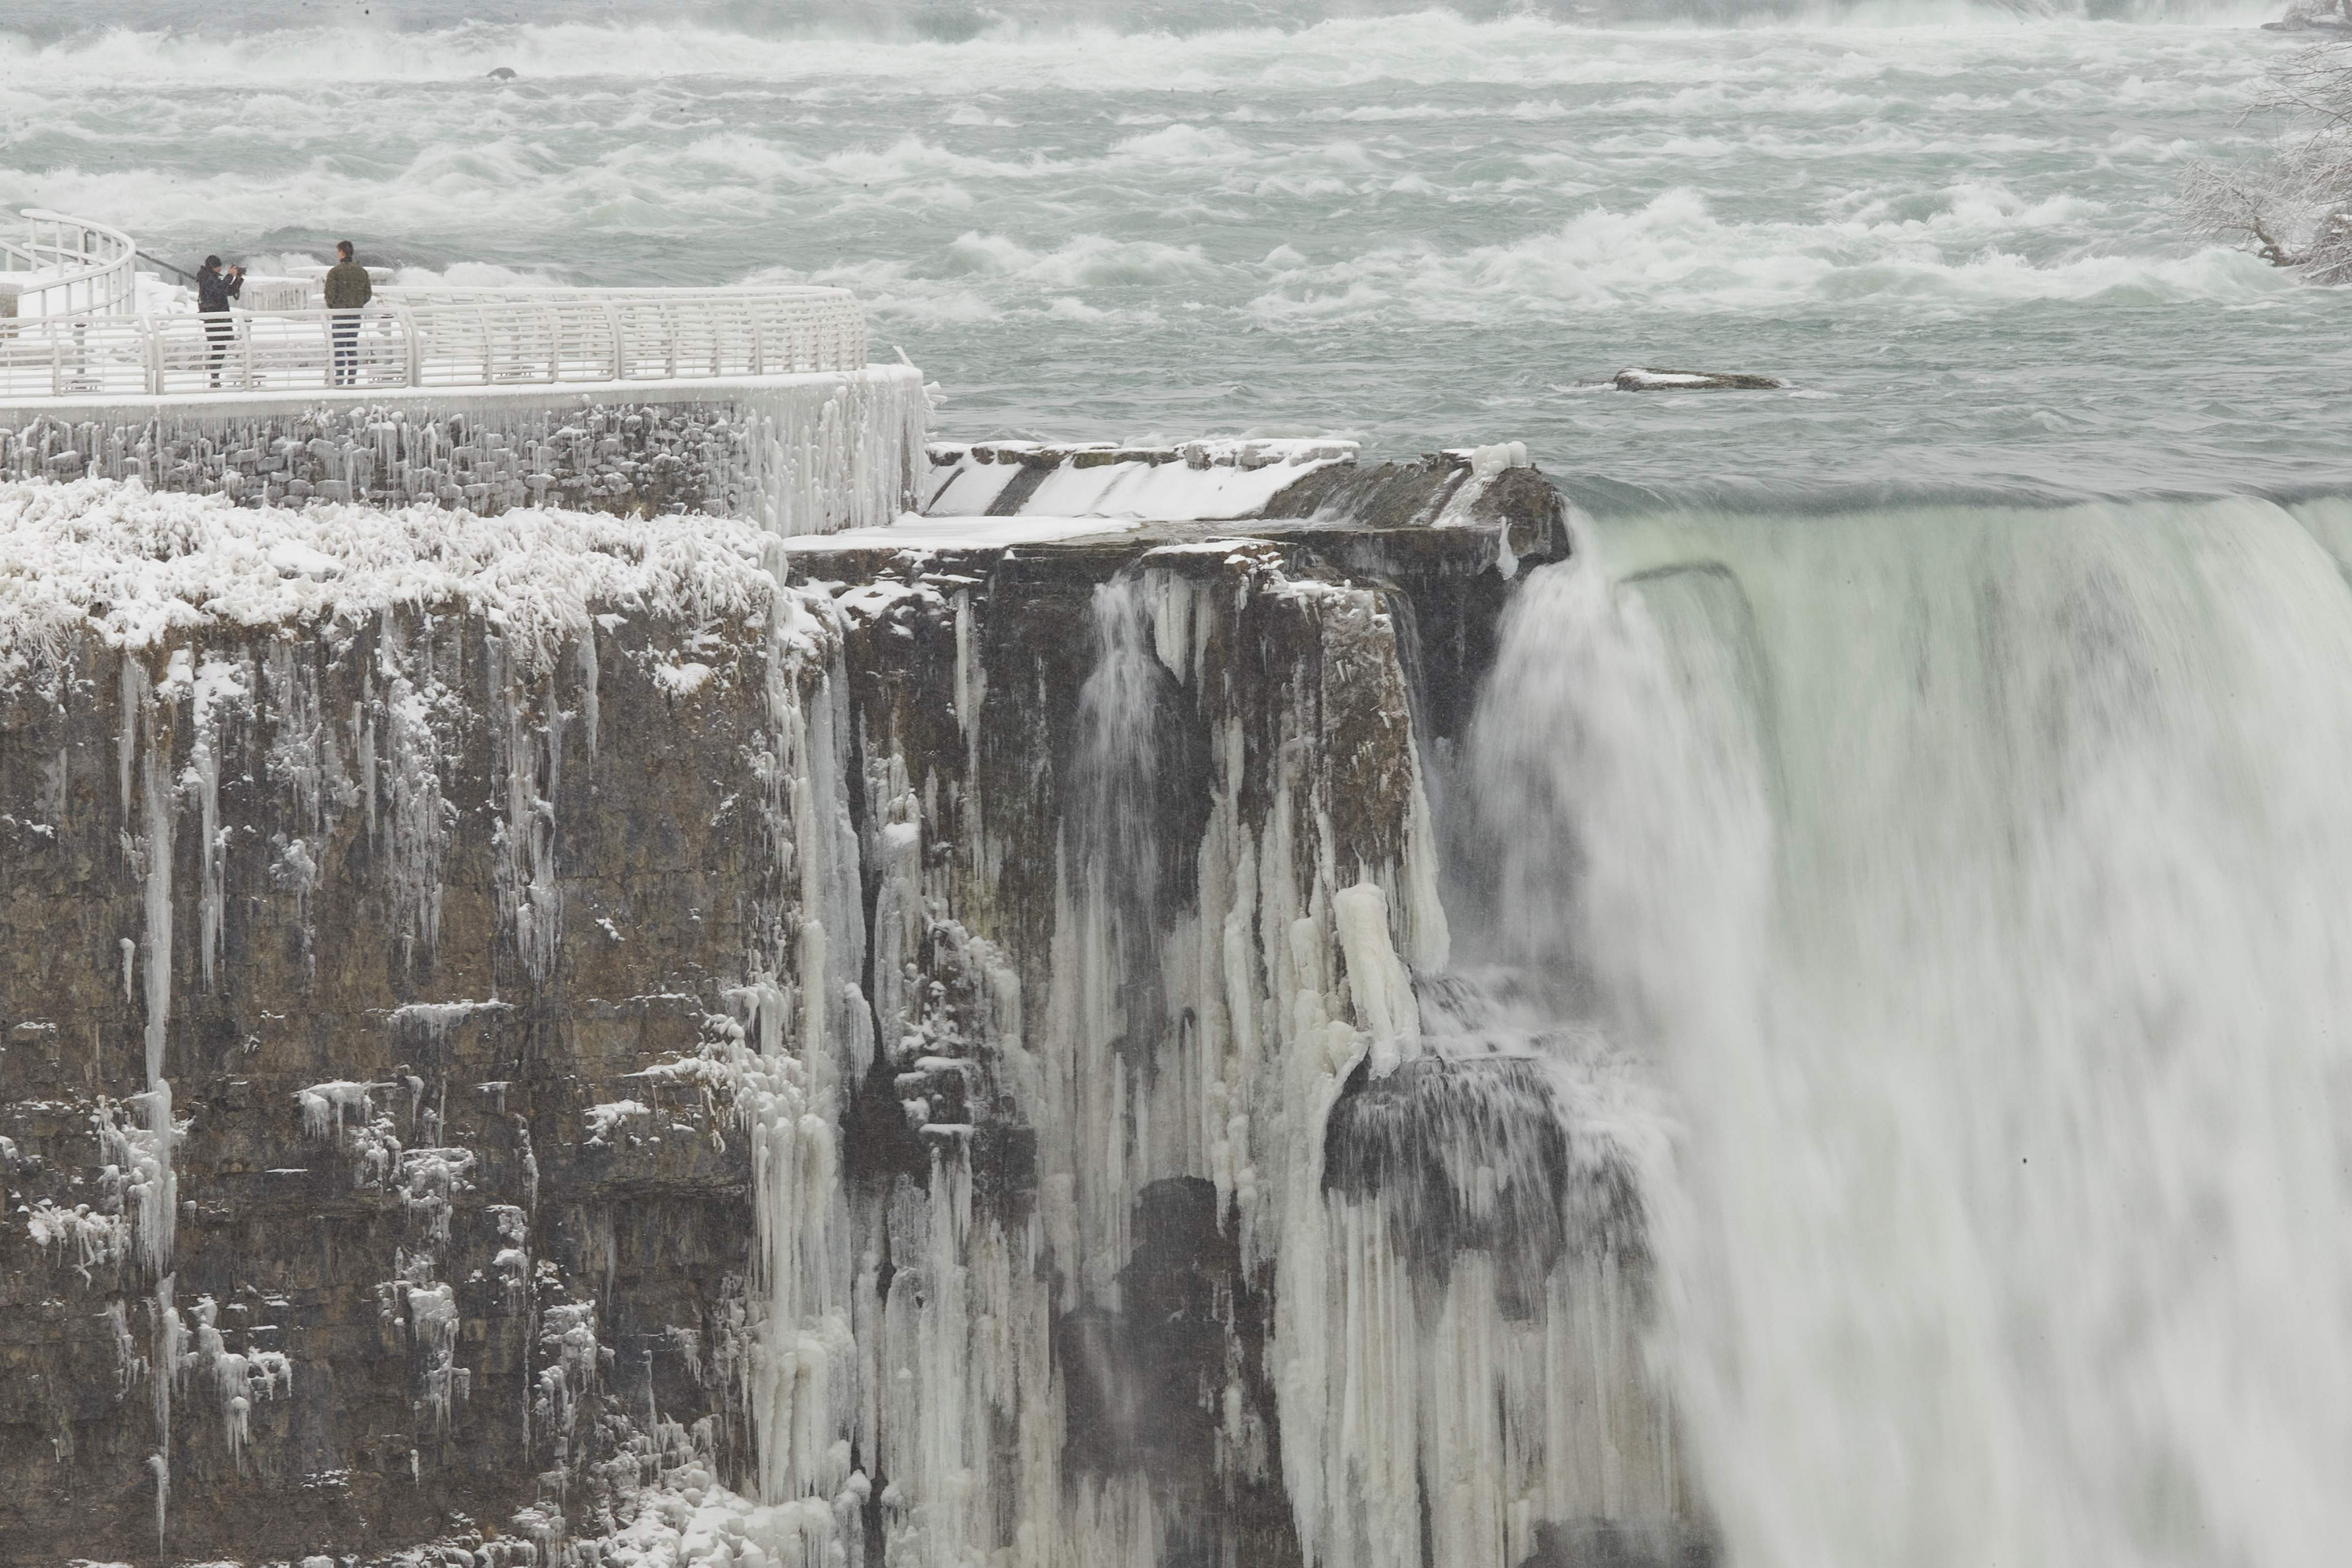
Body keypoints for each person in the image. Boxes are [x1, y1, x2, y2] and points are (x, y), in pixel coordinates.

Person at [324, 240, 373, 387]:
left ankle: (340, 379)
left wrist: (335, 306)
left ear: (341, 252)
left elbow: (329, 295)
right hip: (355, 314)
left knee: (339, 348)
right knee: (352, 347)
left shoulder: (335, 272)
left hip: (340, 315)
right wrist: (356, 304)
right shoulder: (361, 271)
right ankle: (352, 380)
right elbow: (368, 294)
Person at [196, 255, 243, 387]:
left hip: (220, 317)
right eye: (218, 266)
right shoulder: (205, 277)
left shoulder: (213, 277)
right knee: (218, 347)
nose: (220, 269)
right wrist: (229, 276)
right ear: (212, 266)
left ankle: (215, 378)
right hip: (213, 318)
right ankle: (214, 379)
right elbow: (218, 290)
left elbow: (228, 291)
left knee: (220, 347)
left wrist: (238, 279)